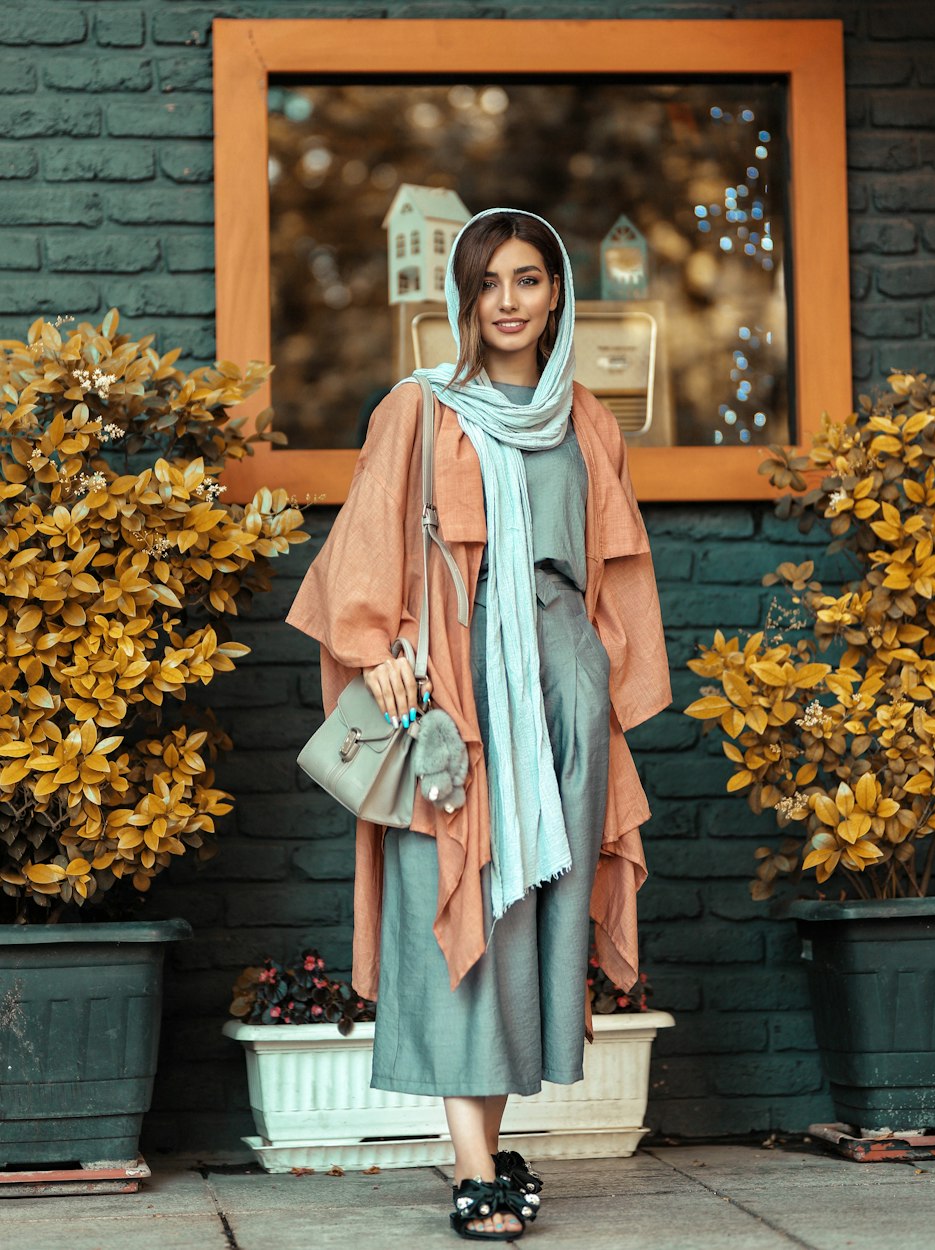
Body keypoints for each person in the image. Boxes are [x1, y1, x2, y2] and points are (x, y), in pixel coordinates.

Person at [286, 206, 671, 1240]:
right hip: (455, 674)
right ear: (463, 297)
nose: (508, 300)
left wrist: (593, 682)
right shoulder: (419, 407)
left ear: (558, 294)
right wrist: (381, 643)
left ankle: (486, 1147)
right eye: (489, 281)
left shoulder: (588, 419)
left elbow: (612, 573)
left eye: (529, 278)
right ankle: (469, 1168)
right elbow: (365, 543)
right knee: (456, 895)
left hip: (558, 688)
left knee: (532, 914)